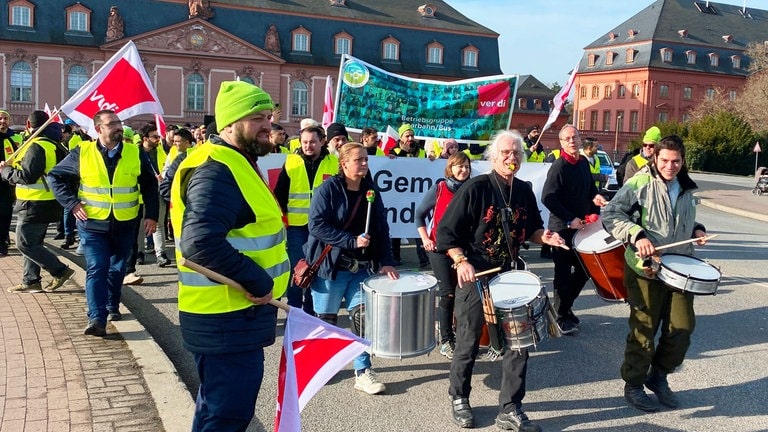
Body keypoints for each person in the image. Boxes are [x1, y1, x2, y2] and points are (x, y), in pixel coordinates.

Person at [170, 81, 289, 430]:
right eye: (256, 117)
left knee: (216, 411)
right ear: (228, 123)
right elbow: (200, 243)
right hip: (225, 316)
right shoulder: (217, 168)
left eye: (268, 116)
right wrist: (258, 280)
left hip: (233, 314)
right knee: (227, 415)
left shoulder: (234, 160)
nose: (267, 124)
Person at [437, 130, 564, 431]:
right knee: (467, 341)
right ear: (493, 156)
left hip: (509, 275)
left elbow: (532, 228)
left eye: (517, 153)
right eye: (506, 153)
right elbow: (445, 233)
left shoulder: (523, 189)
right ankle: (459, 397)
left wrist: (545, 236)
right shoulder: (475, 188)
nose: (512, 158)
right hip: (476, 274)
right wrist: (460, 260)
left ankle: (510, 408)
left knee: (519, 345)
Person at [602, 135, 707, 412]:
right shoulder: (640, 183)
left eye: (676, 161)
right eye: (664, 160)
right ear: (655, 158)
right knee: (644, 329)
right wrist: (636, 235)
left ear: (683, 161)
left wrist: (697, 229)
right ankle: (634, 384)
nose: (670, 166)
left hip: (680, 268)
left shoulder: (686, 187)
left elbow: (678, 218)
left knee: (682, 328)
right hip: (644, 268)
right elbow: (611, 214)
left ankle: (658, 377)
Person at [49, 110, 159, 335]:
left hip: (125, 223)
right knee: (97, 268)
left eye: (119, 123)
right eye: (112, 124)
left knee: (117, 270)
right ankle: (96, 318)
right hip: (92, 224)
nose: (118, 127)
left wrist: (152, 215)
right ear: (98, 129)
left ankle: (112, 304)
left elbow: (149, 185)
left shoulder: (134, 152)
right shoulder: (83, 152)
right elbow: (55, 176)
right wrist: (72, 204)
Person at [304, 142, 399, 395]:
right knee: (327, 323)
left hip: (361, 269)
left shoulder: (371, 191)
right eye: (359, 160)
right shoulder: (328, 190)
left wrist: (386, 260)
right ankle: (321, 366)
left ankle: (363, 371)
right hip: (330, 268)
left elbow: (382, 229)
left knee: (363, 320)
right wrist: (350, 241)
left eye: (366, 160)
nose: (365, 165)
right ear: (344, 163)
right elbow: (316, 226)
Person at [542, 125, 608, 335]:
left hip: (582, 228)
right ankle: (562, 316)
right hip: (561, 229)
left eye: (575, 137)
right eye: (567, 138)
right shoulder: (559, 167)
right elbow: (548, 197)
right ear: (561, 143)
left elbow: (590, 189)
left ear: (580, 140)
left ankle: (561, 309)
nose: (572, 141)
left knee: (585, 270)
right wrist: (570, 219)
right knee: (562, 274)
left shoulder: (582, 163)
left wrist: (595, 200)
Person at [1, 110, 75, 292]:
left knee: (24, 243)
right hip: (48, 202)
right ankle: (31, 280)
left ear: (28, 125)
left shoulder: (36, 146)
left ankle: (60, 270)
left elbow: (27, 176)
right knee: (34, 243)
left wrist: (6, 171)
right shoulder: (56, 144)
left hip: (34, 203)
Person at [274, 125, 338, 315]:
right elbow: (279, 194)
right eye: (304, 142)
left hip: (324, 227)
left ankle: (311, 312)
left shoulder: (333, 163)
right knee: (298, 270)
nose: (308, 146)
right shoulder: (291, 162)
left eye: (312, 142)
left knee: (316, 271)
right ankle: (293, 312)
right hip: (297, 227)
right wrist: (283, 220)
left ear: (322, 141)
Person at [415, 152, 471, 360]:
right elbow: (418, 214)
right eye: (459, 166)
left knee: (464, 293)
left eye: (466, 166)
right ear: (450, 168)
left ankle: (460, 333)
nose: (463, 170)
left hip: (462, 250)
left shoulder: (472, 189)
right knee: (448, 293)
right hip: (439, 250)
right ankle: (446, 339)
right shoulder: (439, 189)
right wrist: (425, 239)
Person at [388, 123, 428, 267]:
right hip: (399, 194)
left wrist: (432, 160)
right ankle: (395, 257)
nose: (410, 138)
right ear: (401, 137)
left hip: (417, 193)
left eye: (412, 135)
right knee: (397, 224)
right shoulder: (393, 152)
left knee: (418, 224)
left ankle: (423, 257)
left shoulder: (421, 152)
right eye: (407, 136)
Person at [0, 109, 22, 256]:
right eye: (0, 118)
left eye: (5, 119)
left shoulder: (14, 138)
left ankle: (3, 241)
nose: (3, 121)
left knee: (5, 214)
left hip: (7, 183)